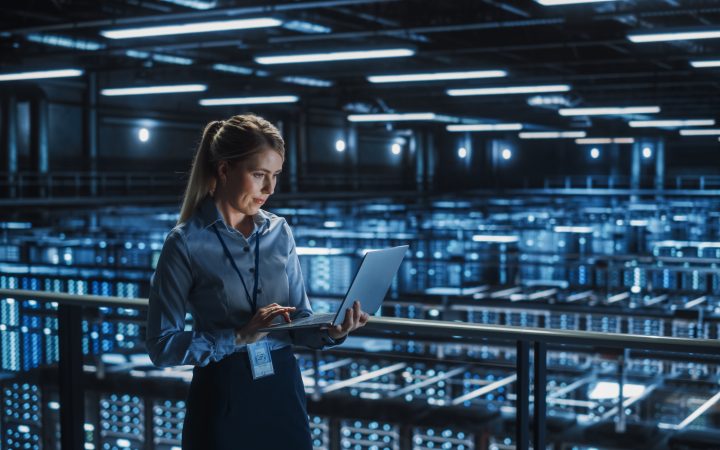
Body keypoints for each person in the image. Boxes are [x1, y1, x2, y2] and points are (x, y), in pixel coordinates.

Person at [145, 114, 369, 450]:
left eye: (275, 175)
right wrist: (237, 337)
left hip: (282, 388)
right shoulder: (185, 243)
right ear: (224, 170)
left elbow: (298, 319)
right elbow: (161, 346)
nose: (270, 189)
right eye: (259, 175)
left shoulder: (280, 231)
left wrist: (332, 332)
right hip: (223, 392)